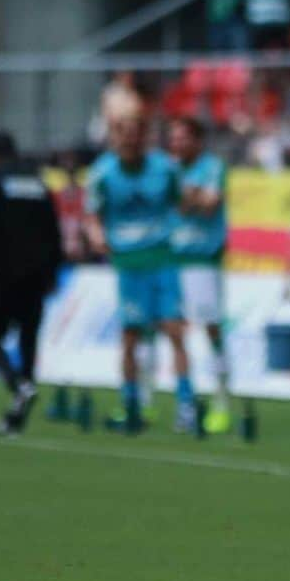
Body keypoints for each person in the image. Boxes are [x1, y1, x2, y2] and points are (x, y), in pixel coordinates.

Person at [85, 113, 196, 434]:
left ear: (144, 137)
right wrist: (96, 235)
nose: (130, 141)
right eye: (123, 135)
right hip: (129, 263)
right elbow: (92, 214)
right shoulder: (102, 173)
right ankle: (131, 403)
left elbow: (181, 201)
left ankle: (186, 405)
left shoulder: (165, 169)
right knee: (130, 336)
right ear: (115, 138)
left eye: (136, 134)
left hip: (163, 258)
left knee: (175, 330)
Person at [0, 132, 64, 437]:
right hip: (38, 273)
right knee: (28, 341)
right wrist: (53, 270)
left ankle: (19, 386)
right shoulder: (38, 181)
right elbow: (53, 227)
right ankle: (16, 420)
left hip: (7, 270)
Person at [168, 116, 232, 435]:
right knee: (172, 331)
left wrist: (186, 197)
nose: (176, 144)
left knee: (211, 330)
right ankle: (184, 402)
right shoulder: (168, 169)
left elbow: (208, 205)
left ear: (197, 140)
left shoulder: (212, 167)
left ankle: (221, 402)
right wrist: (189, 196)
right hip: (171, 260)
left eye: (182, 138)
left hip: (203, 262)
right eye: (173, 138)